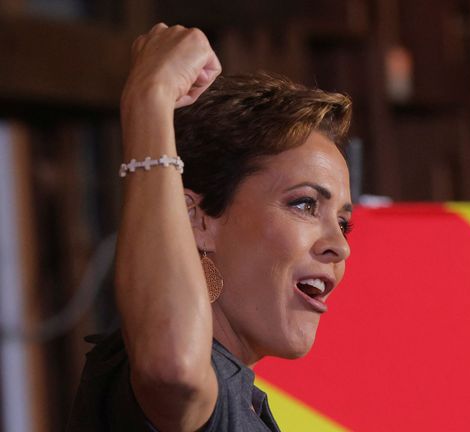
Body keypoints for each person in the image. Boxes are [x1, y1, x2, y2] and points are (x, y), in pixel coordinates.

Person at [66, 23, 353, 431]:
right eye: (305, 204)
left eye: (344, 222)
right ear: (195, 218)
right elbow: (173, 368)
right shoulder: (172, 378)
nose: (340, 246)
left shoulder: (236, 394)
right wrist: (151, 97)